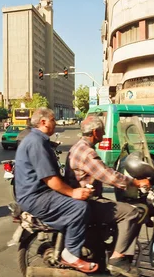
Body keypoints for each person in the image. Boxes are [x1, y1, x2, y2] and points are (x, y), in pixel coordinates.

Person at [65, 115, 150, 277]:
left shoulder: (80, 146)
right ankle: (117, 259)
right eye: (102, 130)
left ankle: (109, 252)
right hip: (87, 202)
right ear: (95, 132)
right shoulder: (86, 152)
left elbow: (102, 169)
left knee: (116, 209)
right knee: (131, 212)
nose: (104, 133)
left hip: (83, 199)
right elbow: (107, 176)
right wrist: (136, 183)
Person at [14, 108, 98, 274]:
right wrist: (73, 193)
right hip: (36, 196)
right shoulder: (36, 142)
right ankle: (71, 254)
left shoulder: (39, 140)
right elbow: (50, 179)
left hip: (38, 193)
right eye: (53, 120)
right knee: (79, 208)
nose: (56, 123)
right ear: (43, 122)